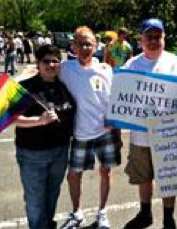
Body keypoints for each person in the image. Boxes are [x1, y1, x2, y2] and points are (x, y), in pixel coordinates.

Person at [123, 18, 177, 229]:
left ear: (164, 39)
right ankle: (145, 213)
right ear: (140, 39)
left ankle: (169, 217)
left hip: (169, 133)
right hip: (140, 134)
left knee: (169, 177)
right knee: (144, 177)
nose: (153, 41)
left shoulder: (175, 62)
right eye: (149, 37)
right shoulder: (131, 65)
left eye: (158, 37)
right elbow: (120, 96)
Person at [59, 26, 121, 229]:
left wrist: (118, 132)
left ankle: (102, 213)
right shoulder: (64, 69)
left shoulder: (106, 70)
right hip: (80, 134)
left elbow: (115, 102)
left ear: (96, 46)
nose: (85, 47)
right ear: (73, 46)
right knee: (74, 175)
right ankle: (77, 214)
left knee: (106, 172)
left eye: (89, 44)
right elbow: (40, 74)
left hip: (106, 132)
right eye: (81, 43)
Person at [15, 44, 76, 229]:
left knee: (52, 193)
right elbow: (10, 119)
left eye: (55, 61)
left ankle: (46, 224)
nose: (51, 64)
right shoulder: (25, 87)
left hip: (60, 150)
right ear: (38, 63)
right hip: (33, 153)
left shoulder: (63, 86)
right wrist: (38, 121)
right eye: (46, 61)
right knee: (35, 199)